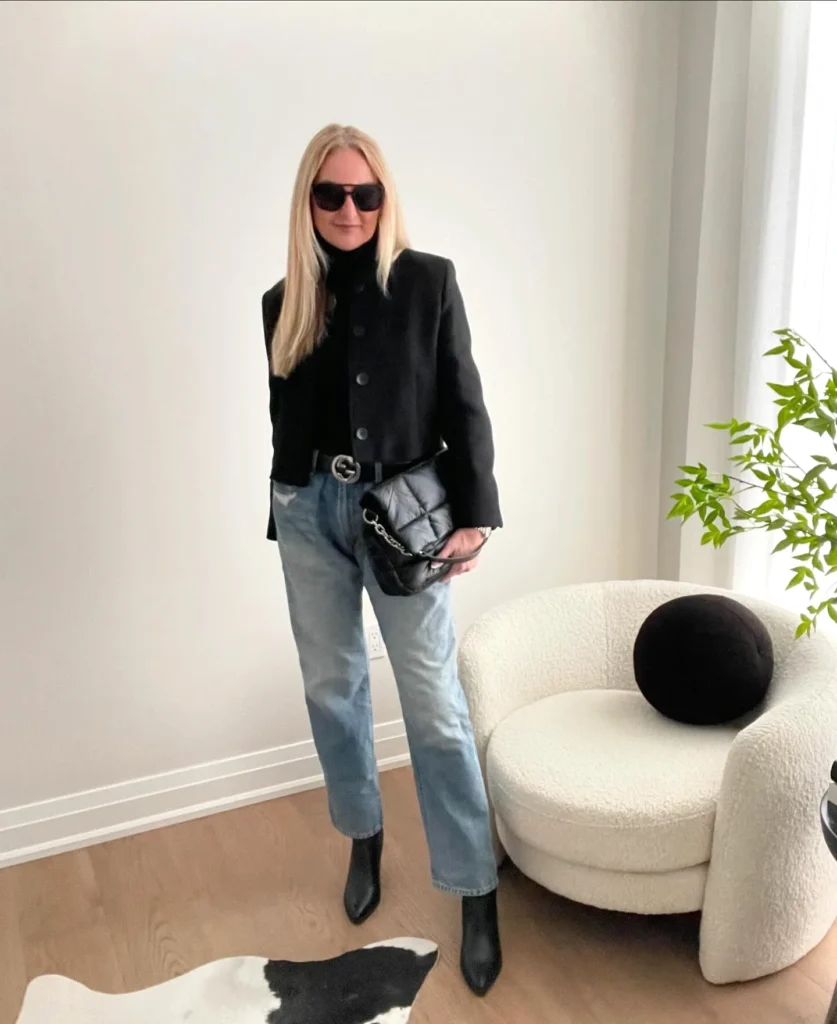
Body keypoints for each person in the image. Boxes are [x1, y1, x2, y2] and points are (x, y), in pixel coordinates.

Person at [261, 124, 503, 996]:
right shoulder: (282, 301)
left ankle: (474, 886)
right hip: (307, 514)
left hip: (402, 517)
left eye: (365, 194)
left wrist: (473, 514)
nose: (350, 210)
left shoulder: (427, 282)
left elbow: (463, 400)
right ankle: (363, 836)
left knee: (433, 706)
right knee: (333, 690)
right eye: (331, 194)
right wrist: (291, 510)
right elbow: (284, 421)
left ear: (384, 197)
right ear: (308, 201)